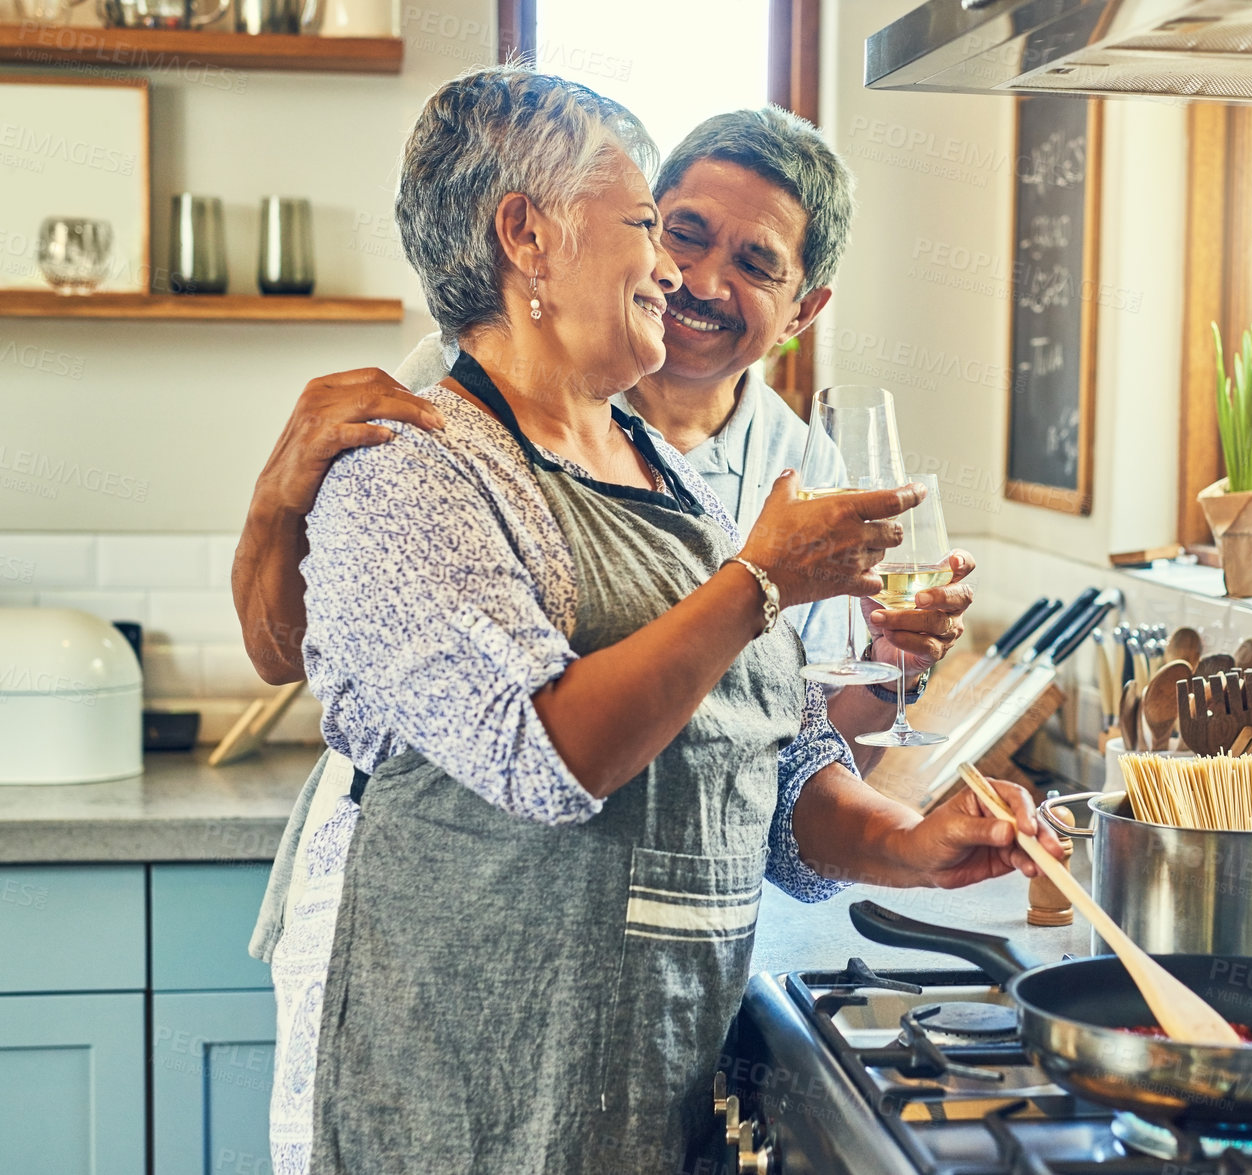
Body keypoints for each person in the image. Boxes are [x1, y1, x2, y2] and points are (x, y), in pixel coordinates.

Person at [267, 66, 1060, 1175]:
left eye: (745, 259)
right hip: (476, 1054)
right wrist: (760, 583)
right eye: (654, 225)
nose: (675, 270)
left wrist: (907, 844)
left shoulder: (672, 476)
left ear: (801, 308)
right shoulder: (418, 453)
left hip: (641, 1043)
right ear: (527, 238)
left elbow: (773, 755)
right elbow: (539, 750)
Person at [233, 108, 971, 768]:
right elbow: (280, 653)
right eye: (679, 232)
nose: (695, 279)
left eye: (755, 264)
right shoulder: (455, 380)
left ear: (802, 313)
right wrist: (277, 497)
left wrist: (893, 667)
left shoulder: (808, 467)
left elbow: (796, 757)